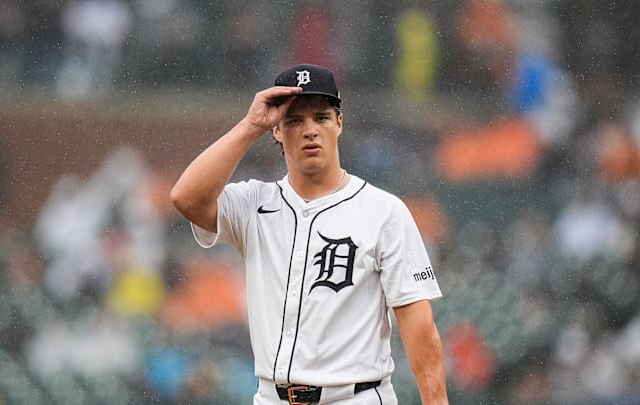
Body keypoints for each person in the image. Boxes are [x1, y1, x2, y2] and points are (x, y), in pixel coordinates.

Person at [170, 63, 448, 404]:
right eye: (295, 121)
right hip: (272, 397)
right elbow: (187, 198)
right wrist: (249, 126)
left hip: (354, 397)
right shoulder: (254, 203)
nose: (310, 130)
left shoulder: (383, 211)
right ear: (276, 131)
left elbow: (419, 327)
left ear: (339, 123)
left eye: (321, 117)